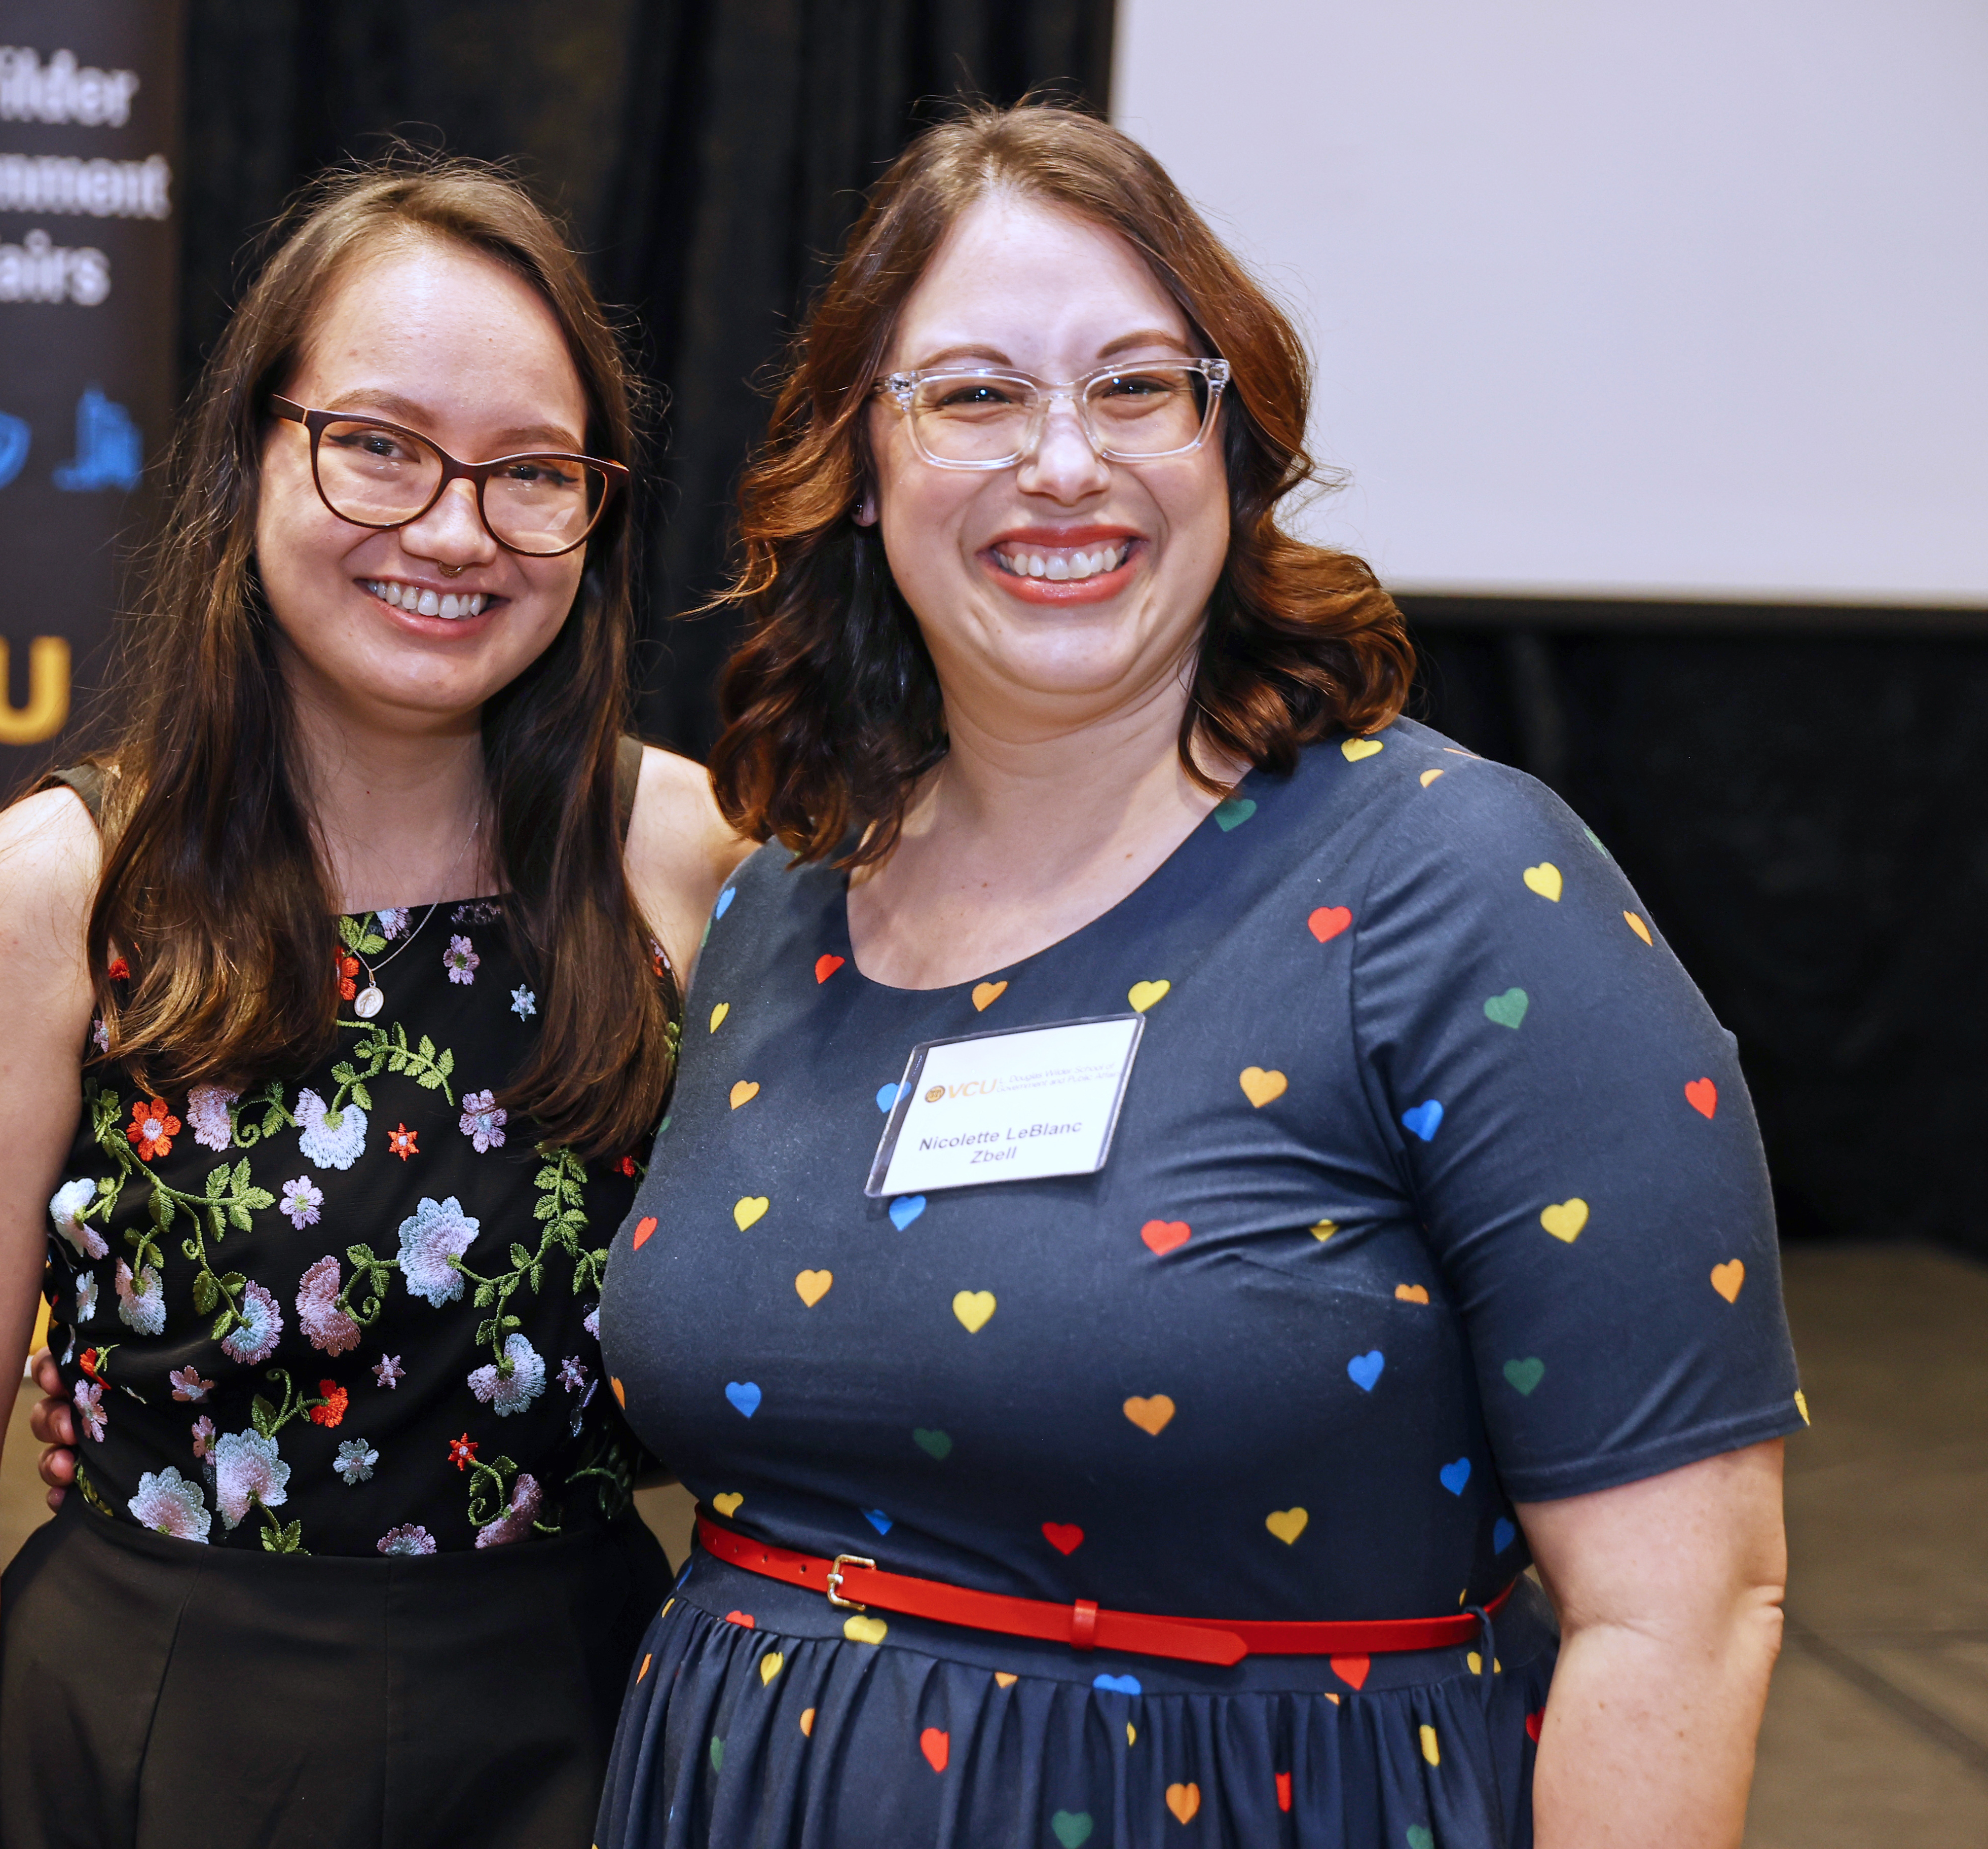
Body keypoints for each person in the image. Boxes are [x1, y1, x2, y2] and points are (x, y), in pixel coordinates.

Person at [591, 104, 1800, 1847]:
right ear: (862, 460)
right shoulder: (781, 905)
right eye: (978, 394)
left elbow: (1681, 1616)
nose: (1064, 461)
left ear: (1230, 441)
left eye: (1138, 386)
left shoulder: (1461, 894)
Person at [0, 160, 747, 1849]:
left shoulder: (692, 863)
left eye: (530, 473)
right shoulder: (66, 891)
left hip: (584, 1734)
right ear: (257, 449)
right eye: (380, 445)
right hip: (143, 1739)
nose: (454, 528)